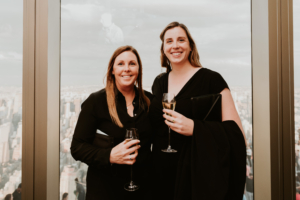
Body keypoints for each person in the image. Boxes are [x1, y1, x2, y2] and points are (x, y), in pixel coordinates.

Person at [149, 22, 246, 200]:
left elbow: (237, 135)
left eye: (181, 40)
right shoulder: (159, 82)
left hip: (195, 177)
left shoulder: (212, 80)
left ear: (190, 46)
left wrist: (195, 128)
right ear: (163, 49)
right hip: (160, 173)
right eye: (169, 41)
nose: (175, 45)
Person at [71, 45, 153, 200]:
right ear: (112, 70)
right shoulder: (95, 102)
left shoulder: (149, 101)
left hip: (143, 190)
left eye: (132, 64)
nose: (127, 68)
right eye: (121, 64)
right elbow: (77, 147)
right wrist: (109, 155)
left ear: (139, 70)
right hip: (105, 191)